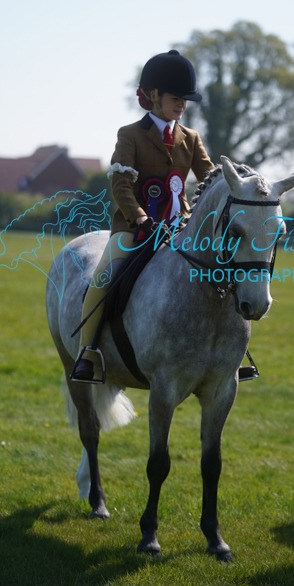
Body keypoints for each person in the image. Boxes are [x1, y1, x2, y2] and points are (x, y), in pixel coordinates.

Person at [71, 50, 215, 382]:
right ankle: (87, 352)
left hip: (180, 228)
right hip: (134, 228)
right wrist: (139, 217)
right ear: (153, 95)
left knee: (221, 272)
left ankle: (230, 351)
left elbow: (209, 180)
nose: (182, 105)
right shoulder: (130, 135)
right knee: (104, 277)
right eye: (176, 98)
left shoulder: (191, 139)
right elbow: (121, 185)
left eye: (185, 99)